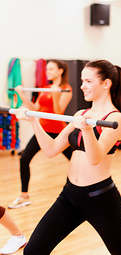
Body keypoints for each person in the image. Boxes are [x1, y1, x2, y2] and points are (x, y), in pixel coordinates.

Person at [15, 60, 121, 255]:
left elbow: (95, 158)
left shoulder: (115, 118)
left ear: (106, 84)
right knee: (32, 251)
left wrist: (87, 130)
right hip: (70, 196)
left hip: (100, 198)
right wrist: (33, 121)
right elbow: (51, 149)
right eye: (82, 80)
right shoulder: (82, 114)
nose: (82, 86)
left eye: (88, 81)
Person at [9, 60, 73, 209]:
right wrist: (21, 94)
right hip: (43, 131)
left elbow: (58, 112)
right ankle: (24, 196)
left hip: (59, 133)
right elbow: (35, 108)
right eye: (47, 69)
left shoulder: (66, 89)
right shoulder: (46, 88)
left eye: (51, 69)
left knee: (76, 160)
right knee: (24, 159)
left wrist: (56, 95)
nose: (47, 72)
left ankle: (85, 190)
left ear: (60, 71)